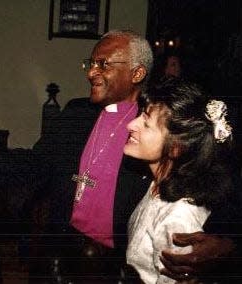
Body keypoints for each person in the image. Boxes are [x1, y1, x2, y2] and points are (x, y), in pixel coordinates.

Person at [28, 30, 240, 283]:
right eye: (91, 63)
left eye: (103, 64)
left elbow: (214, 189)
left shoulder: (162, 123)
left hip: (117, 266)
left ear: (137, 74)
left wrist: (230, 245)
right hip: (60, 258)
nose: (90, 72)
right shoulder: (75, 113)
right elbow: (34, 164)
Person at [124, 78, 238, 283]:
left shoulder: (179, 217)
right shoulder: (156, 185)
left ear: (176, 147)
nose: (131, 124)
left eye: (146, 123)